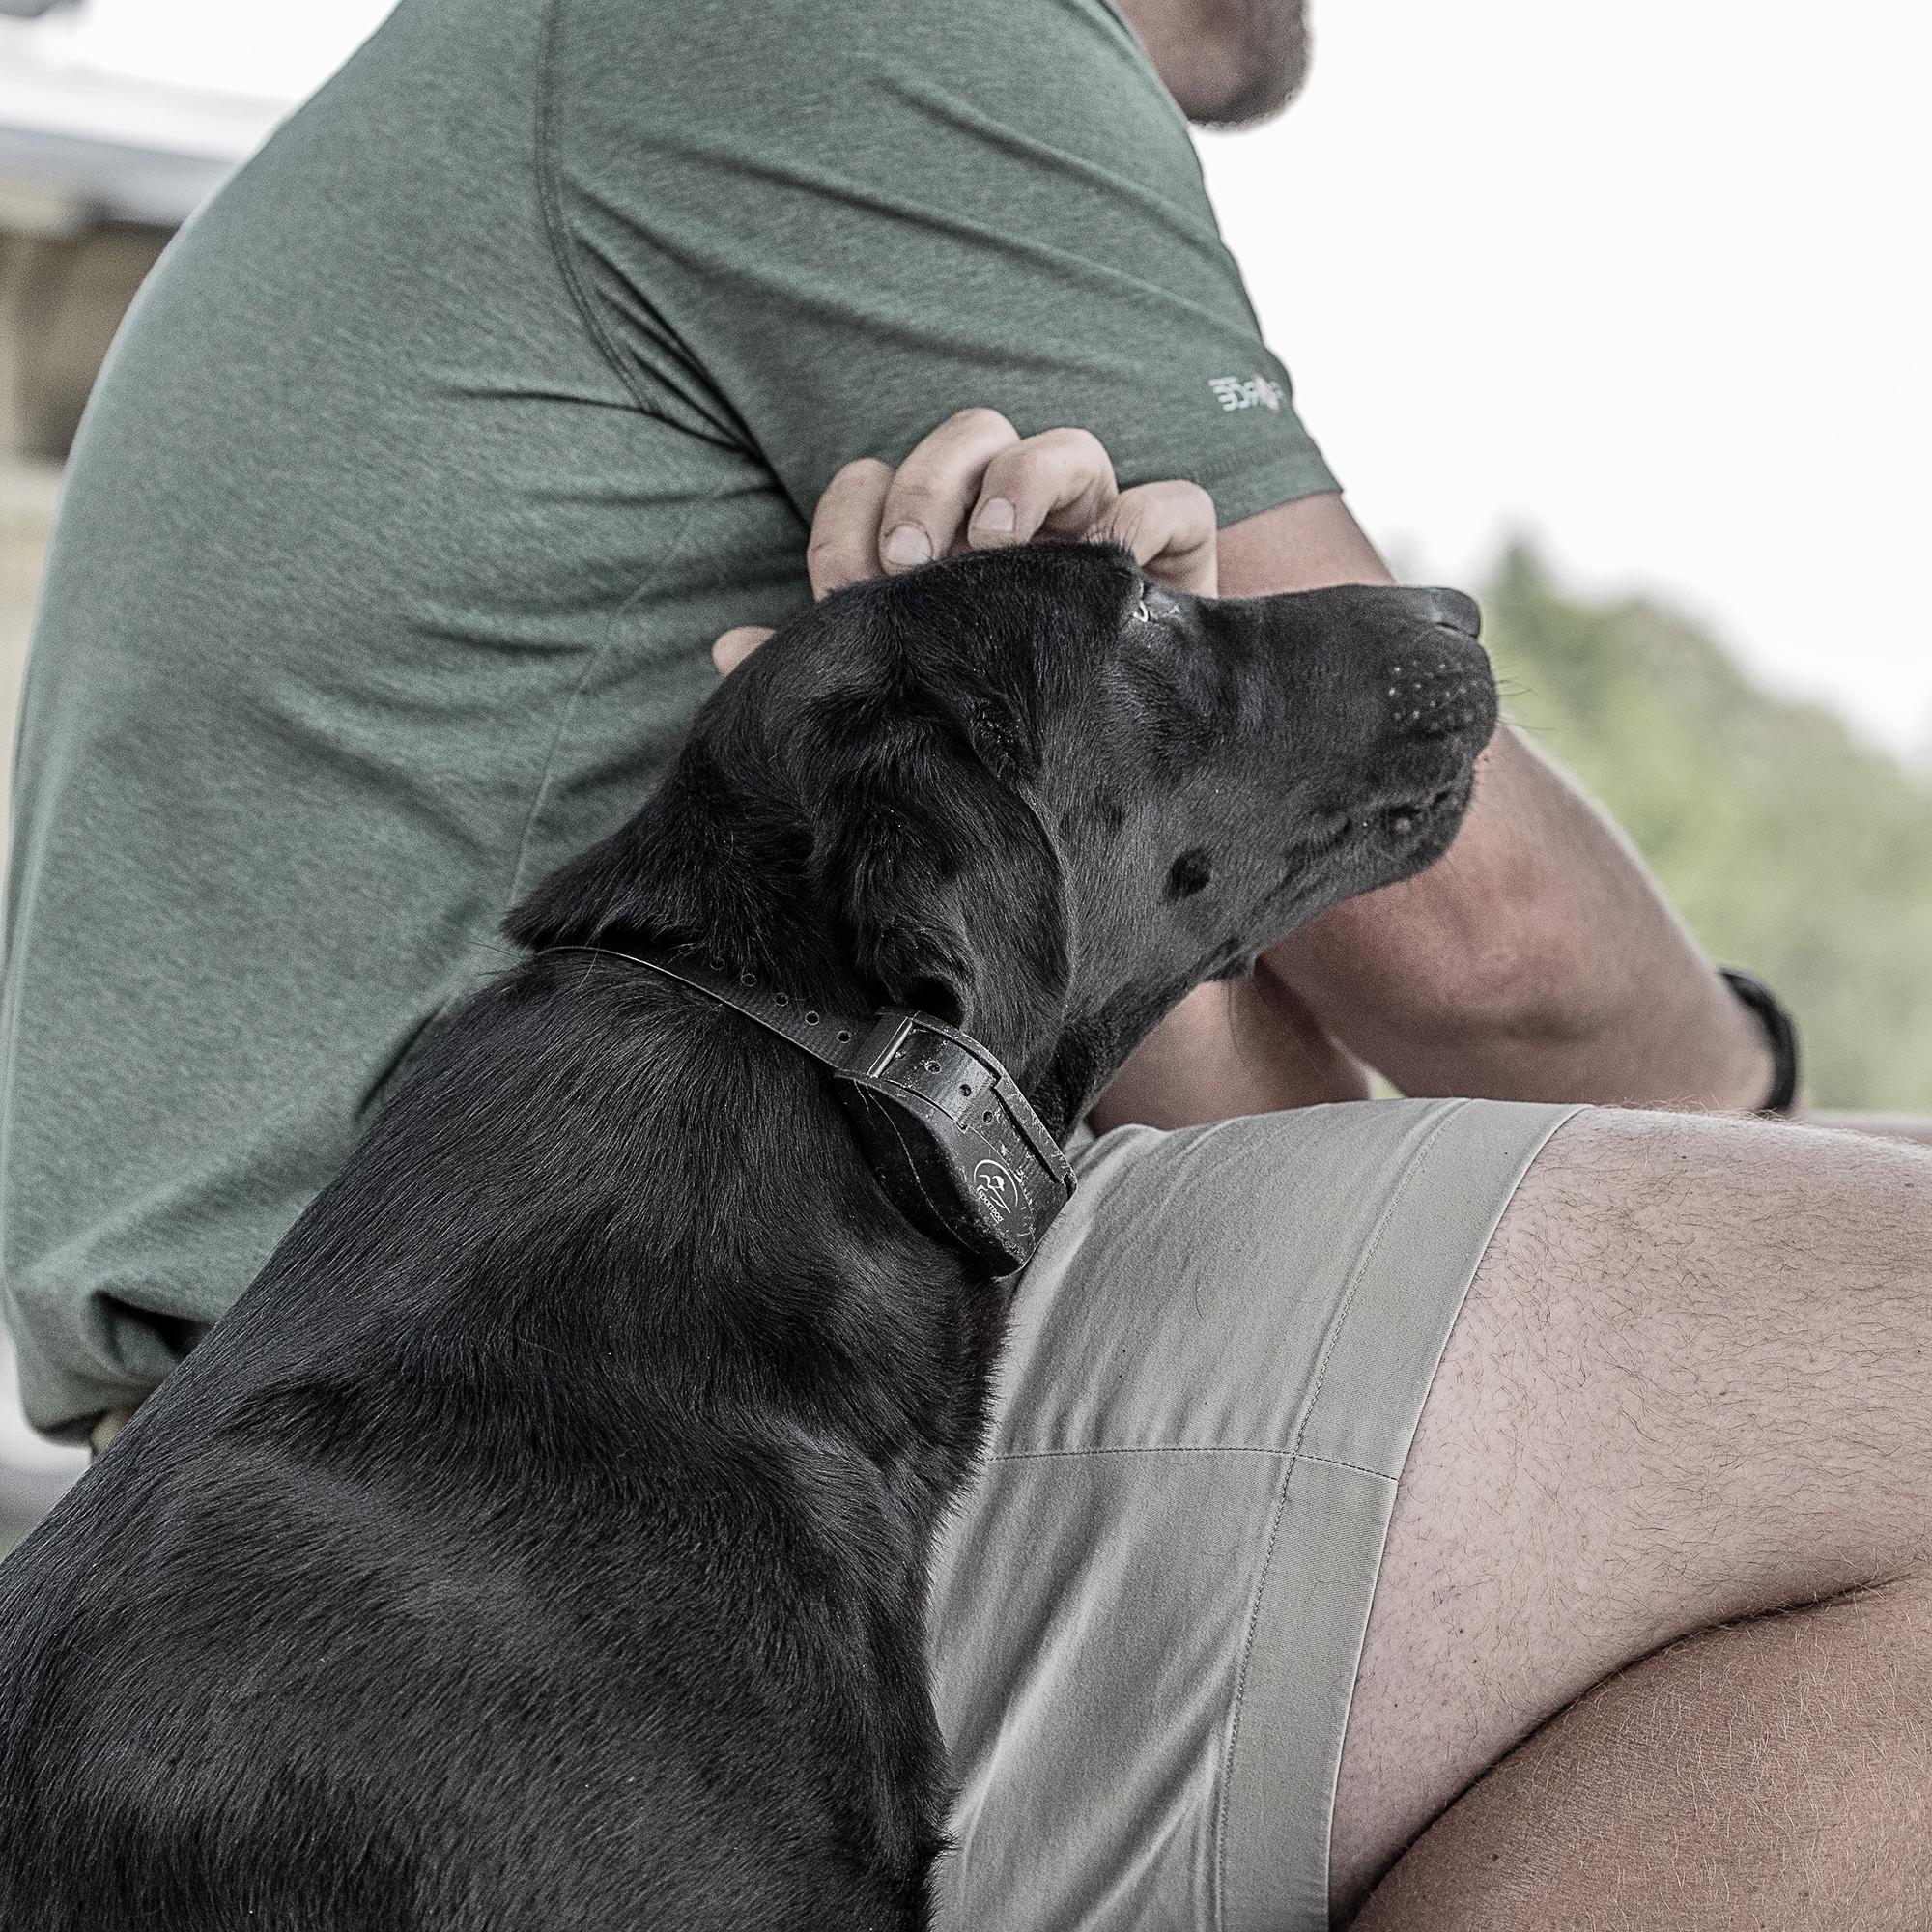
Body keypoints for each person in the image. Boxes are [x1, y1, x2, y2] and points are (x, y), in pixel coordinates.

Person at [1, 0, 1925, 1924]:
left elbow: (1187, 1111)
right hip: (528, 1484)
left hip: (401, 1463)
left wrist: (1109, 754)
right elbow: (1496, 953)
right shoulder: (878, 21)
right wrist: (1751, 1109)